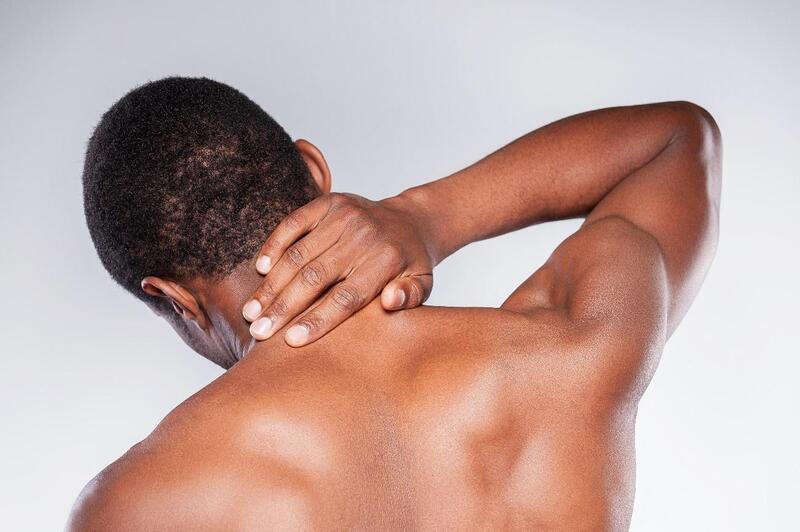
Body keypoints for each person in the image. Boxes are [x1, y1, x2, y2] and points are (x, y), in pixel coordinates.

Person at [68, 77, 720, 530]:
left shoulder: (140, 504)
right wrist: (428, 217)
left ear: (173, 298)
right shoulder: (572, 347)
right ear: (314, 172)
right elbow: (678, 140)